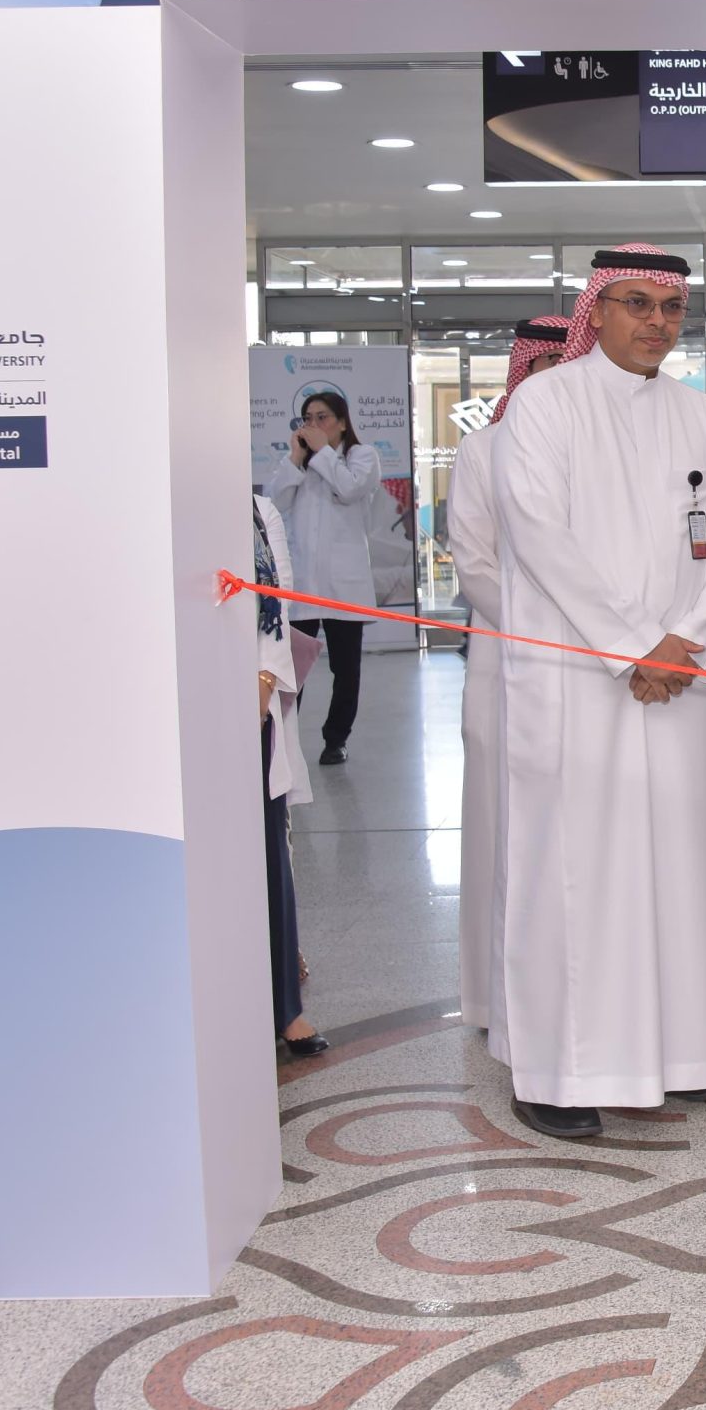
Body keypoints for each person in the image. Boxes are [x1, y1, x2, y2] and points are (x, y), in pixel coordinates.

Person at [491, 245, 706, 1139]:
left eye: (670, 307)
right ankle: (556, 1070)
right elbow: (539, 534)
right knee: (575, 870)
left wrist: (686, 640)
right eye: (637, 304)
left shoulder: (701, 415)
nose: (656, 322)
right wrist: (631, 646)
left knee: (676, 864)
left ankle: (678, 1054)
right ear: (597, 311)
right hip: (578, 679)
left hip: (677, 679)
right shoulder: (545, 404)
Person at [449, 316, 567, 1033]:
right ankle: (498, 997)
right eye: (542, 363)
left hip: (587, 664)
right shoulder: (481, 449)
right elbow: (472, 563)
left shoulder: (586, 450)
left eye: (565, 361)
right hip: (506, 655)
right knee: (503, 824)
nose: (553, 375)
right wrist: (544, 629)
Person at [265, 389, 385, 765]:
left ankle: (336, 740)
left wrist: (322, 454)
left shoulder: (362, 457)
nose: (313, 425)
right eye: (307, 418)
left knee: (345, 669)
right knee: (293, 666)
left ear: (342, 423)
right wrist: (296, 459)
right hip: (303, 583)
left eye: (322, 417)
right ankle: (283, 740)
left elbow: (349, 488)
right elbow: (274, 502)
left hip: (343, 584)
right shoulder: (300, 463)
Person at [253, 494, 325, 1058]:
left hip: (251, 704)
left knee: (267, 852)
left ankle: (284, 1008)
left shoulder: (259, 512)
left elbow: (278, 602)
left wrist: (261, 683)